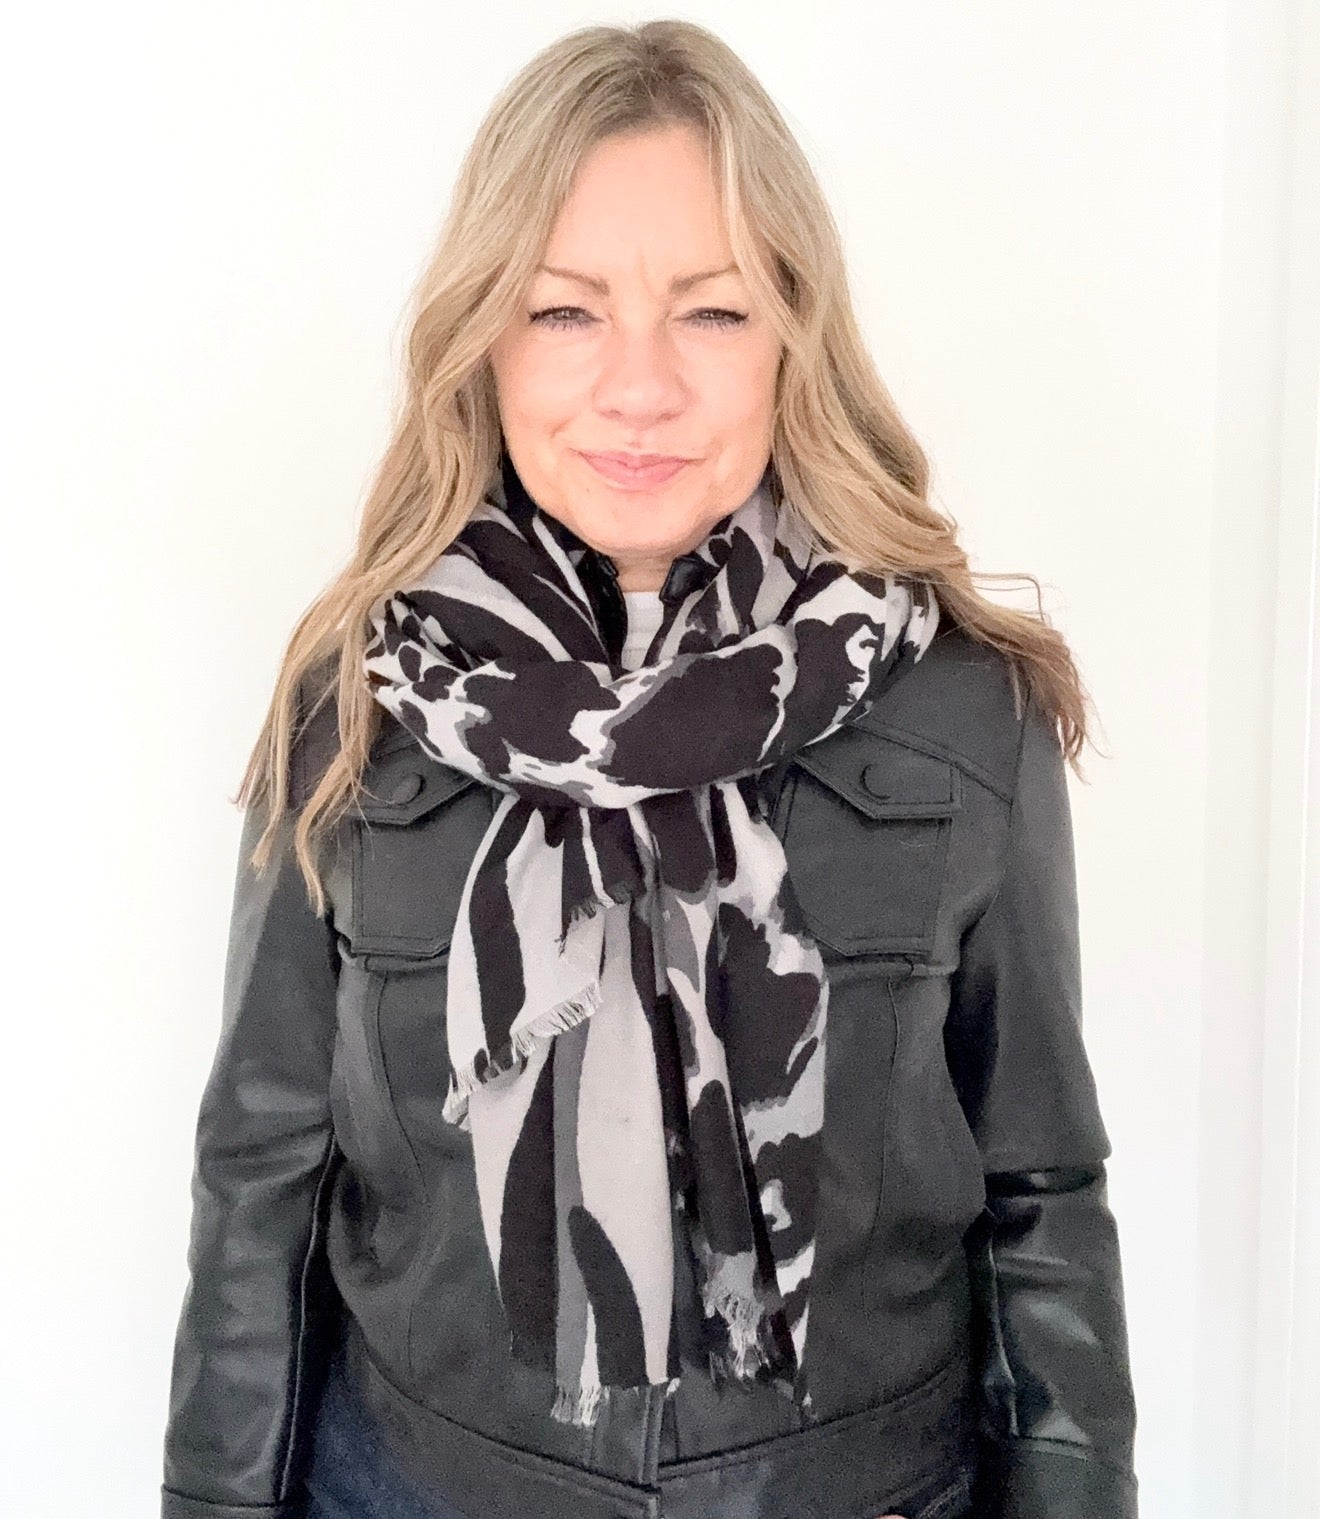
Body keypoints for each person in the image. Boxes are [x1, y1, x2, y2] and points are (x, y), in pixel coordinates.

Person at [159, 19, 1138, 1519]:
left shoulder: (960, 706)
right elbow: (260, 1195)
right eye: (564, 312)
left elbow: (1043, 1201)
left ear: (794, 335)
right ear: (482, 336)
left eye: (711, 313)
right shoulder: (355, 703)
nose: (639, 387)